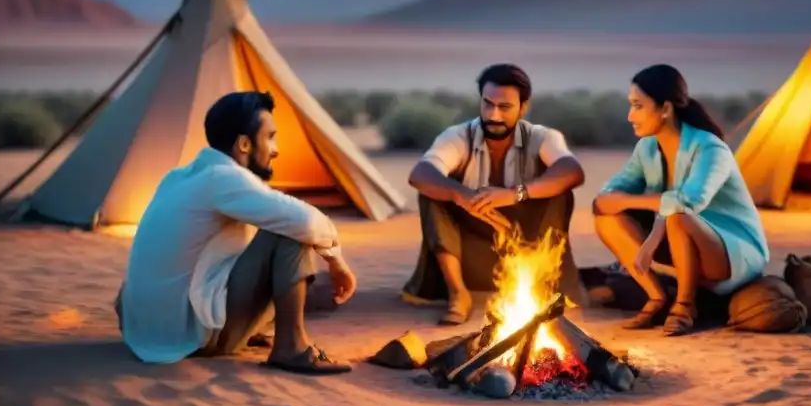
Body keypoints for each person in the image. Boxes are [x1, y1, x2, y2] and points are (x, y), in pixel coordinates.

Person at [115, 90, 358, 375]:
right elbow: (304, 220)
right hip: (189, 337)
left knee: (269, 227)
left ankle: (258, 328)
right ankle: (291, 347)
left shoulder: (177, 177)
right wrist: (336, 260)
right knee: (290, 232)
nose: (276, 149)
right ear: (244, 144)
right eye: (270, 137)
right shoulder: (224, 178)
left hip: (144, 330)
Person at [402, 63, 587, 325]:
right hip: (473, 245)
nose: (494, 115)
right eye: (488, 104)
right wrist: (462, 196)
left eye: (505, 107)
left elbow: (572, 170)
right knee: (432, 193)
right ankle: (458, 293)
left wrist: (515, 194)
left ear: (523, 107)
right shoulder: (458, 136)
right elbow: (421, 173)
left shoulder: (541, 136)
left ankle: (541, 290)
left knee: (560, 193)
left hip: (525, 243)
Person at [592, 64, 769, 335]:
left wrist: (631, 204)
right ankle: (657, 297)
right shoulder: (647, 148)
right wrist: (614, 201)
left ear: (665, 108)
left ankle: (685, 305)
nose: (630, 116)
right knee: (607, 220)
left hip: (731, 252)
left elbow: (688, 202)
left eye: (638, 106)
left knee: (678, 216)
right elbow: (606, 198)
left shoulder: (710, 148)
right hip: (682, 243)